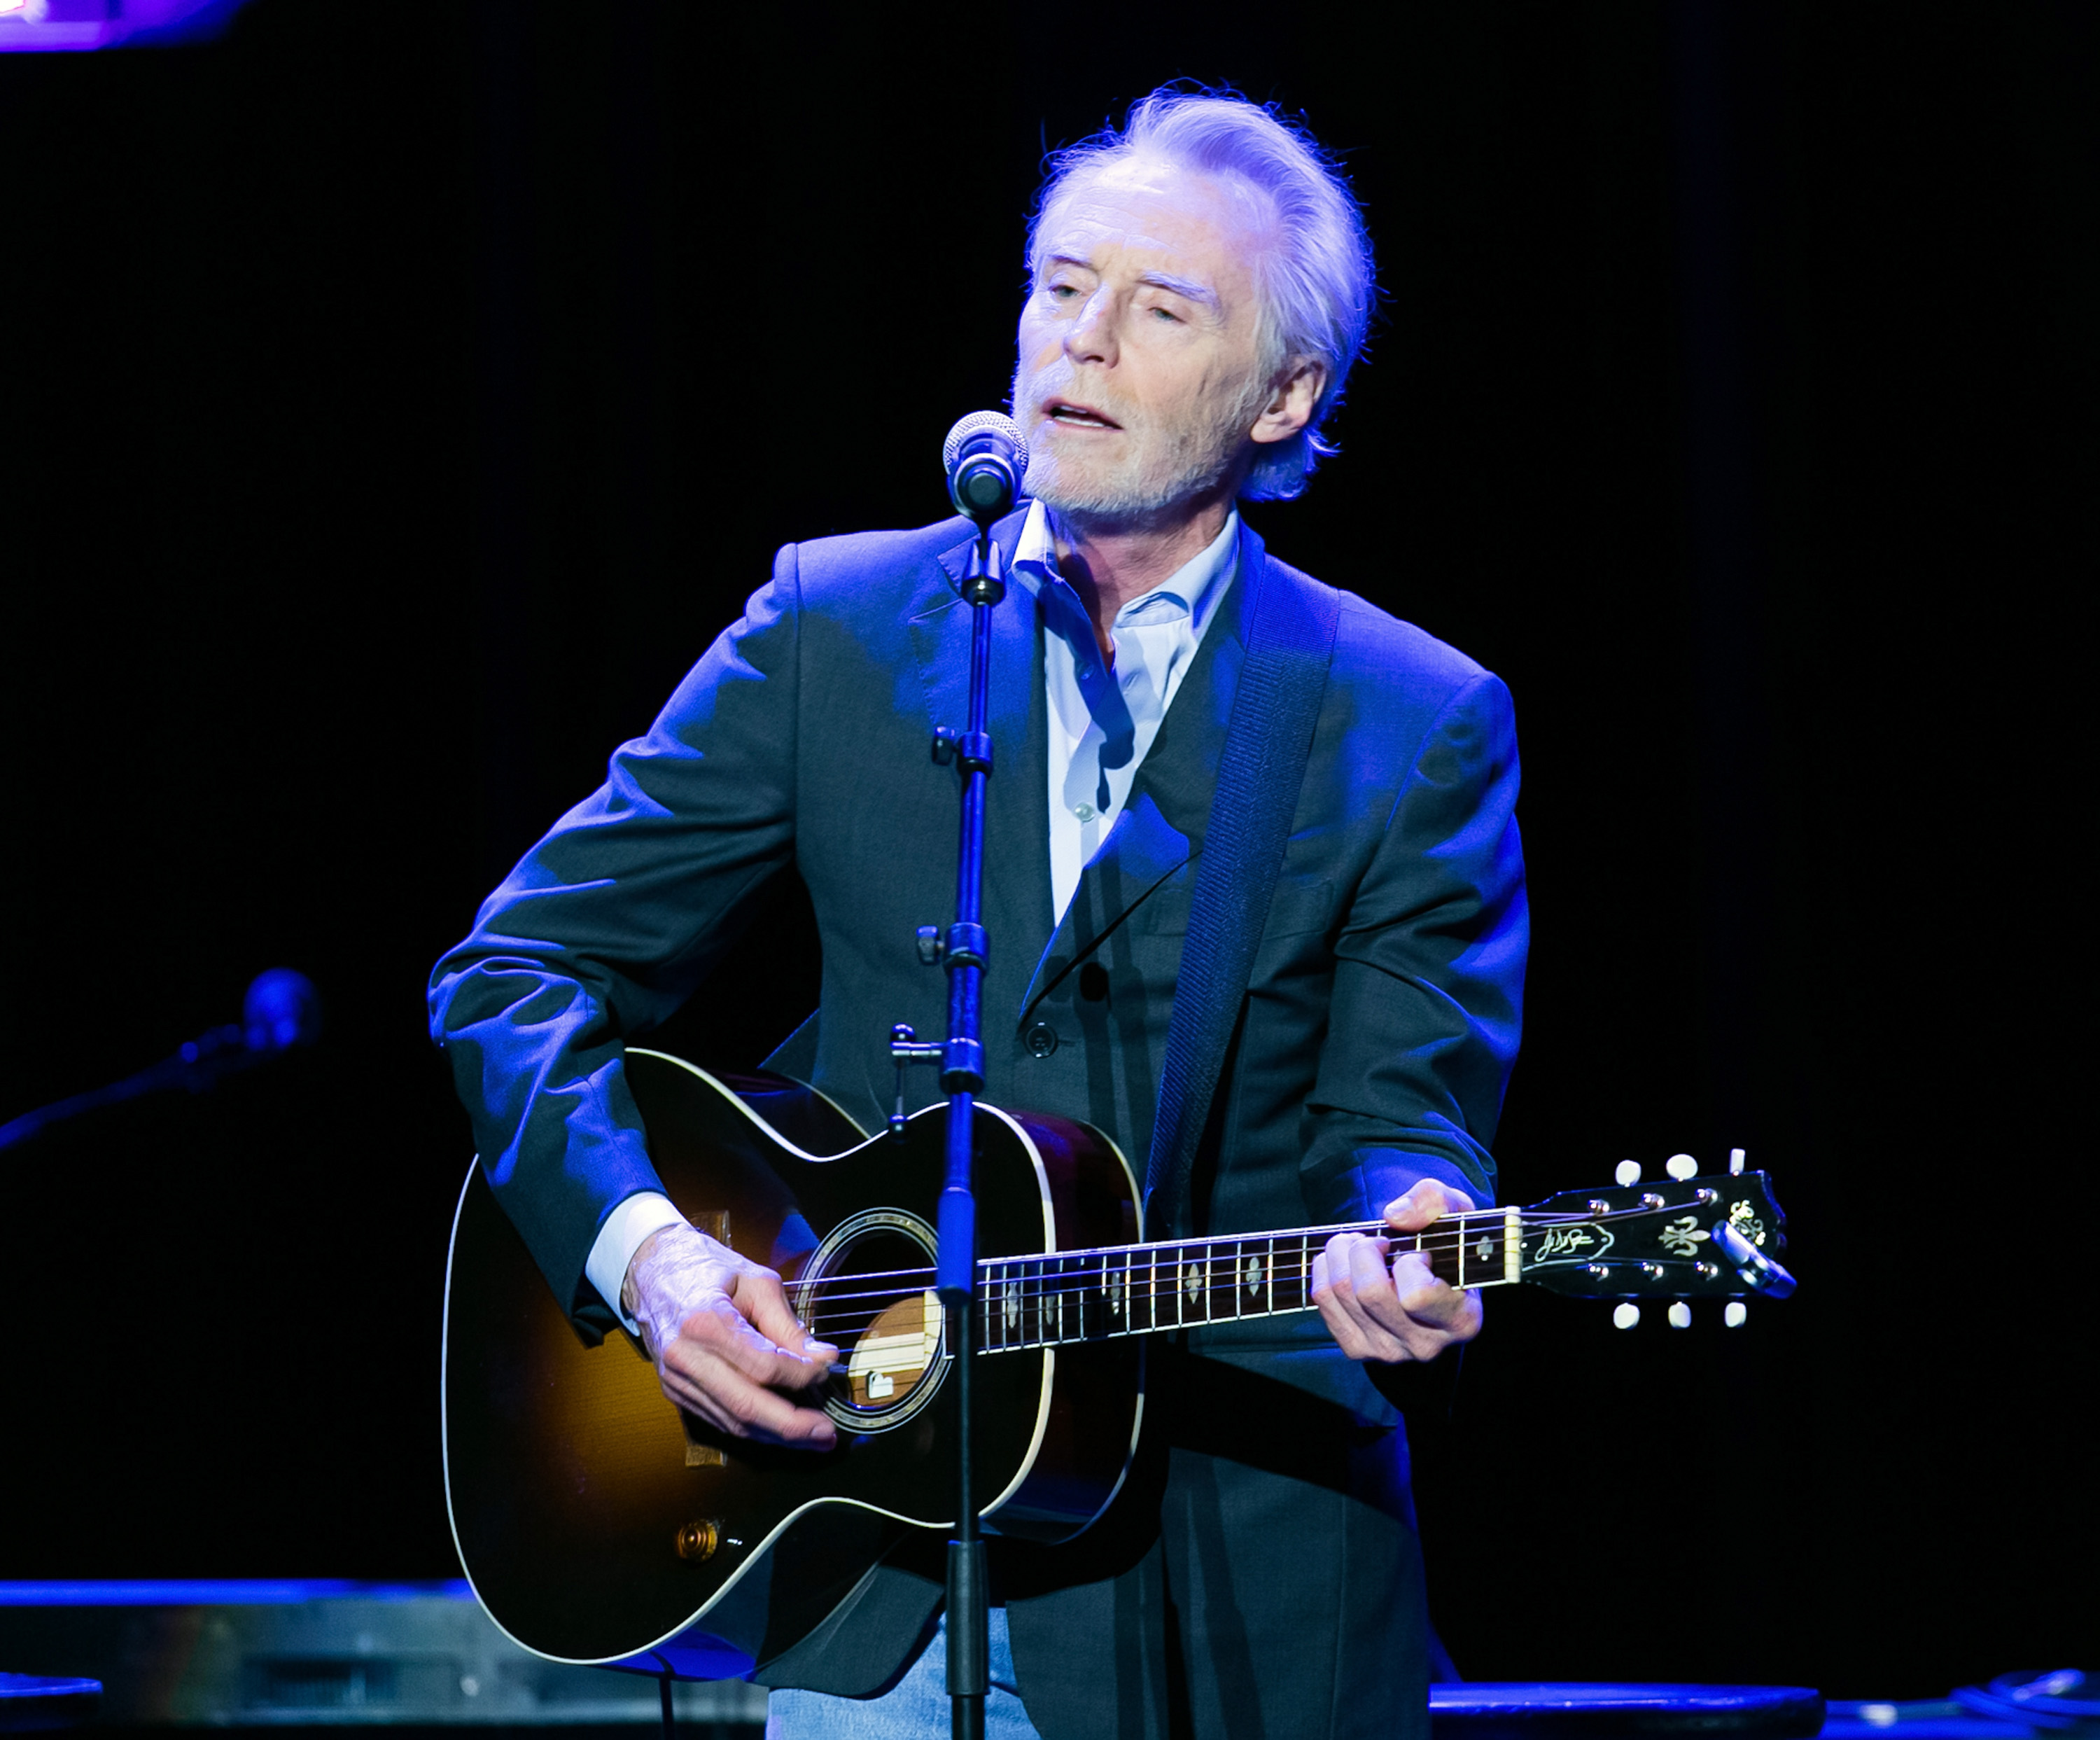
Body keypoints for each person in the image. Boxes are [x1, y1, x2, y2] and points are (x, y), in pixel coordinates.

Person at [430, 88, 1526, 1740]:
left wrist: (1417, 1229)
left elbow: (1401, 1118)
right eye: (1062, 284)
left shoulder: (1407, 714)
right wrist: (651, 1260)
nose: (1079, 341)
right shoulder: (840, 622)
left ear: (1282, 394)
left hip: (1238, 1598)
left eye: (1162, 309)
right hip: (861, 1561)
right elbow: (515, 967)